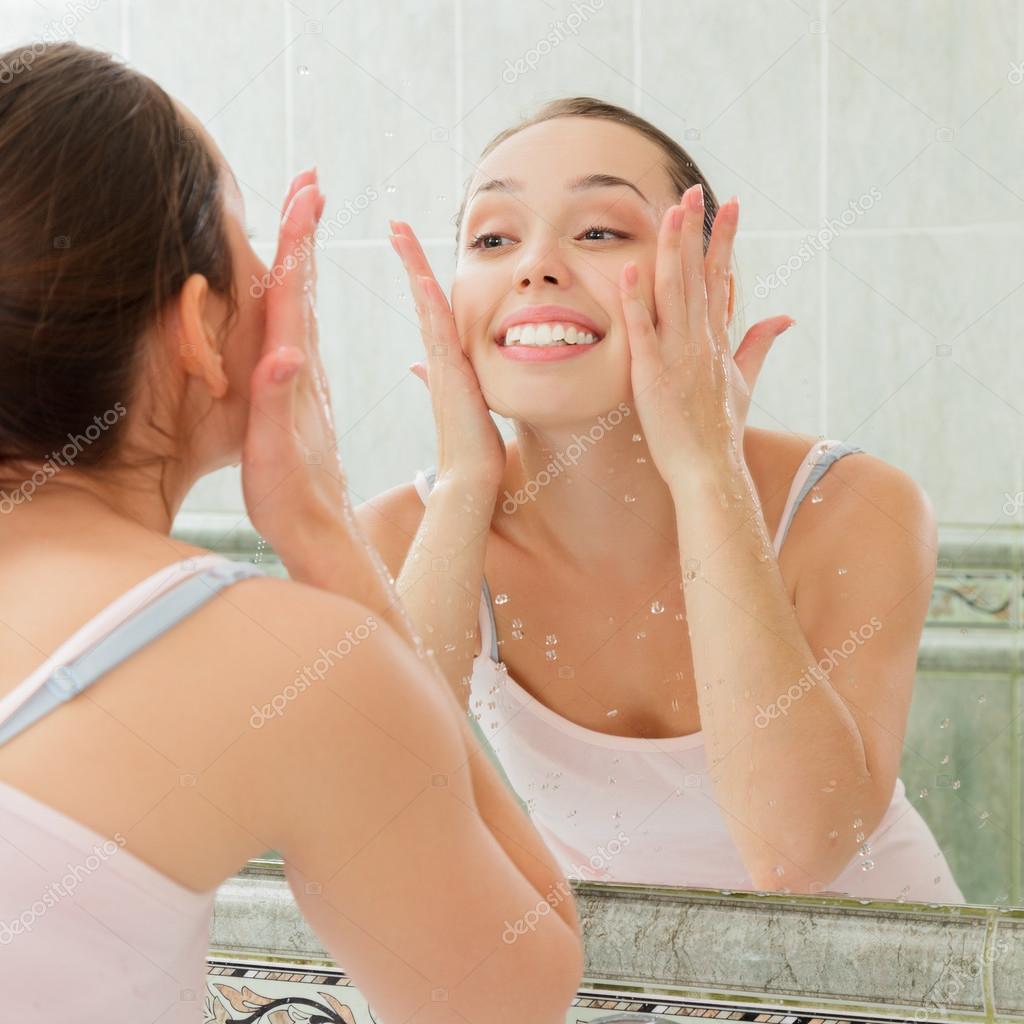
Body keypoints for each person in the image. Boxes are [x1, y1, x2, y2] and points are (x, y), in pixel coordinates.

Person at [0, 42, 583, 1022]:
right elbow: (514, 992)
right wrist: (320, 526)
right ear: (195, 327)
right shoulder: (266, 661)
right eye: (243, 240)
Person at [363, 96, 963, 903]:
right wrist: (467, 483)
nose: (533, 266)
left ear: (710, 288)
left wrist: (707, 473)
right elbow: (373, 826)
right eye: (493, 238)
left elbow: (796, 858)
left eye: (601, 230)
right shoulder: (405, 535)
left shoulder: (853, 507)